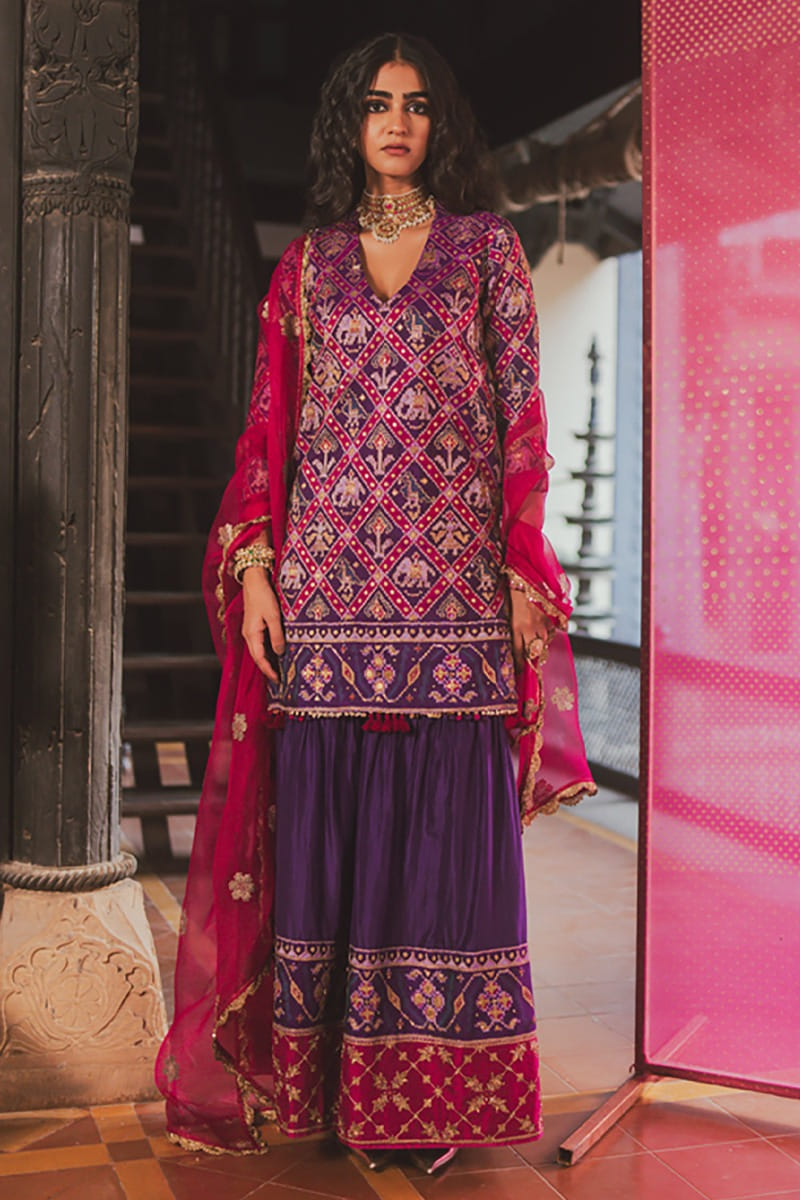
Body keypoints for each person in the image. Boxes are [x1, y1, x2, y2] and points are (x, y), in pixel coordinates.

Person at [156, 31, 595, 1175]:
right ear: (347, 125)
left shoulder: (486, 250)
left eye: (414, 104)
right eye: (375, 104)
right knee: (331, 854)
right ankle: (342, 1095)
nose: (396, 122)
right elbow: (269, 433)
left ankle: (435, 1102)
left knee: (448, 854)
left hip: (453, 605)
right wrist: (256, 569)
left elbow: (521, 421)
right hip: (327, 606)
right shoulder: (306, 268)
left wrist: (519, 569)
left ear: (438, 124)